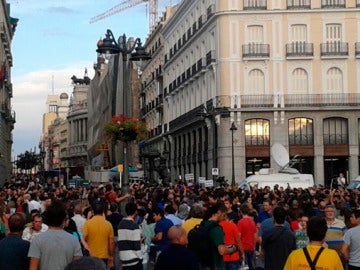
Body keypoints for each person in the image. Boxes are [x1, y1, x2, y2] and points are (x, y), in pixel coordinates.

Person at [28, 200, 82, 270]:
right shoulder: (74, 240)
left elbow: (33, 268)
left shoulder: (37, 240)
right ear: (63, 220)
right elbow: (77, 267)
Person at [82, 201, 115, 268]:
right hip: (104, 256)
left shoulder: (87, 224)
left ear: (92, 212)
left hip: (91, 256)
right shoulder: (108, 224)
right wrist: (111, 256)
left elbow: (83, 239)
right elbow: (111, 242)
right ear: (103, 212)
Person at [117, 202, 143, 270]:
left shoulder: (120, 224)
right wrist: (140, 258)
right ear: (135, 212)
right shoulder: (134, 226)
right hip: (134, 260)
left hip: (124, 260)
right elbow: (136, 245)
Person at [237, 203, 257, 270]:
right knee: (250, 265)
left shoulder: (240, 222)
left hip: (243, 248)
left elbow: (238, 236)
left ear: (241, 212)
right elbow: (255, 236)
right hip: (251, 247)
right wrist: (254, 247)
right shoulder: (252, 222)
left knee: (243, 267)